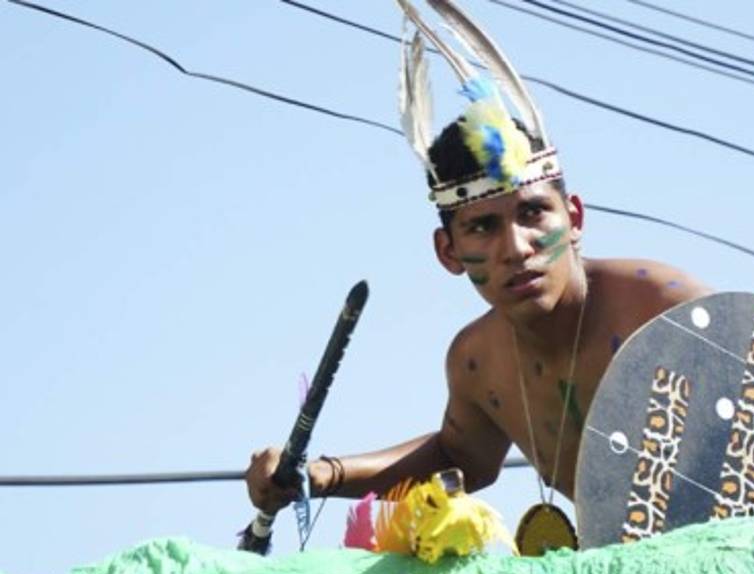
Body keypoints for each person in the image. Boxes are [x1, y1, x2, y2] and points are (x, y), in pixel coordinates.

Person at [246, 3, 710, 525]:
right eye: (483, 227)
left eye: (533, 213)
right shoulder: (477, 363)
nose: (516, 247)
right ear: (448, 252)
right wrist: (321, 475)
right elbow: (460, 457)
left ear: (574, 217)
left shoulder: (667, 309)